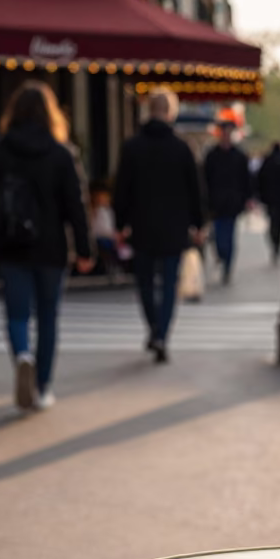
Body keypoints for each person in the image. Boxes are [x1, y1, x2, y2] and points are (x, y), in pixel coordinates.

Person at [0, 81, 92, 411]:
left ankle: (22, 355)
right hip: (51, 248)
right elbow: (75, 205)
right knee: (48, 316)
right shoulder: (61, 154)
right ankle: (43, 386)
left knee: (16, 314)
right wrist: (84, 249)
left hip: (11, 246)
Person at [113, 90, 203, 363]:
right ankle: (162, 332)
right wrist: (198, 223)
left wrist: (120, 223)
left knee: (145, 283)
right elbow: (195, 190)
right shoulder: (182, 148)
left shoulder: (132, 147)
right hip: (174, 227)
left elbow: (122, 189)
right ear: (171, 112)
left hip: (142, 226)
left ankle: (153, 327)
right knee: (169, 284)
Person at [203, 121, 251, 283]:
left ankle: (227, 265)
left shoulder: (239, 156)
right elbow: (205, 179)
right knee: (218, 236)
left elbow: (246, 180)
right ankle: (222, 256)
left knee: (229, 236)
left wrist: (246, 199)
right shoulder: (212, 155)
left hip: (232, 203)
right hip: (216, 202)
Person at [257, 141, 280, 263]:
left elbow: (260, 179)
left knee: (274, 223)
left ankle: (276, 244)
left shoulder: (268, 161)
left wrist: (262, 196)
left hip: (271, 199)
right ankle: (277, 244)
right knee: (279, 223)